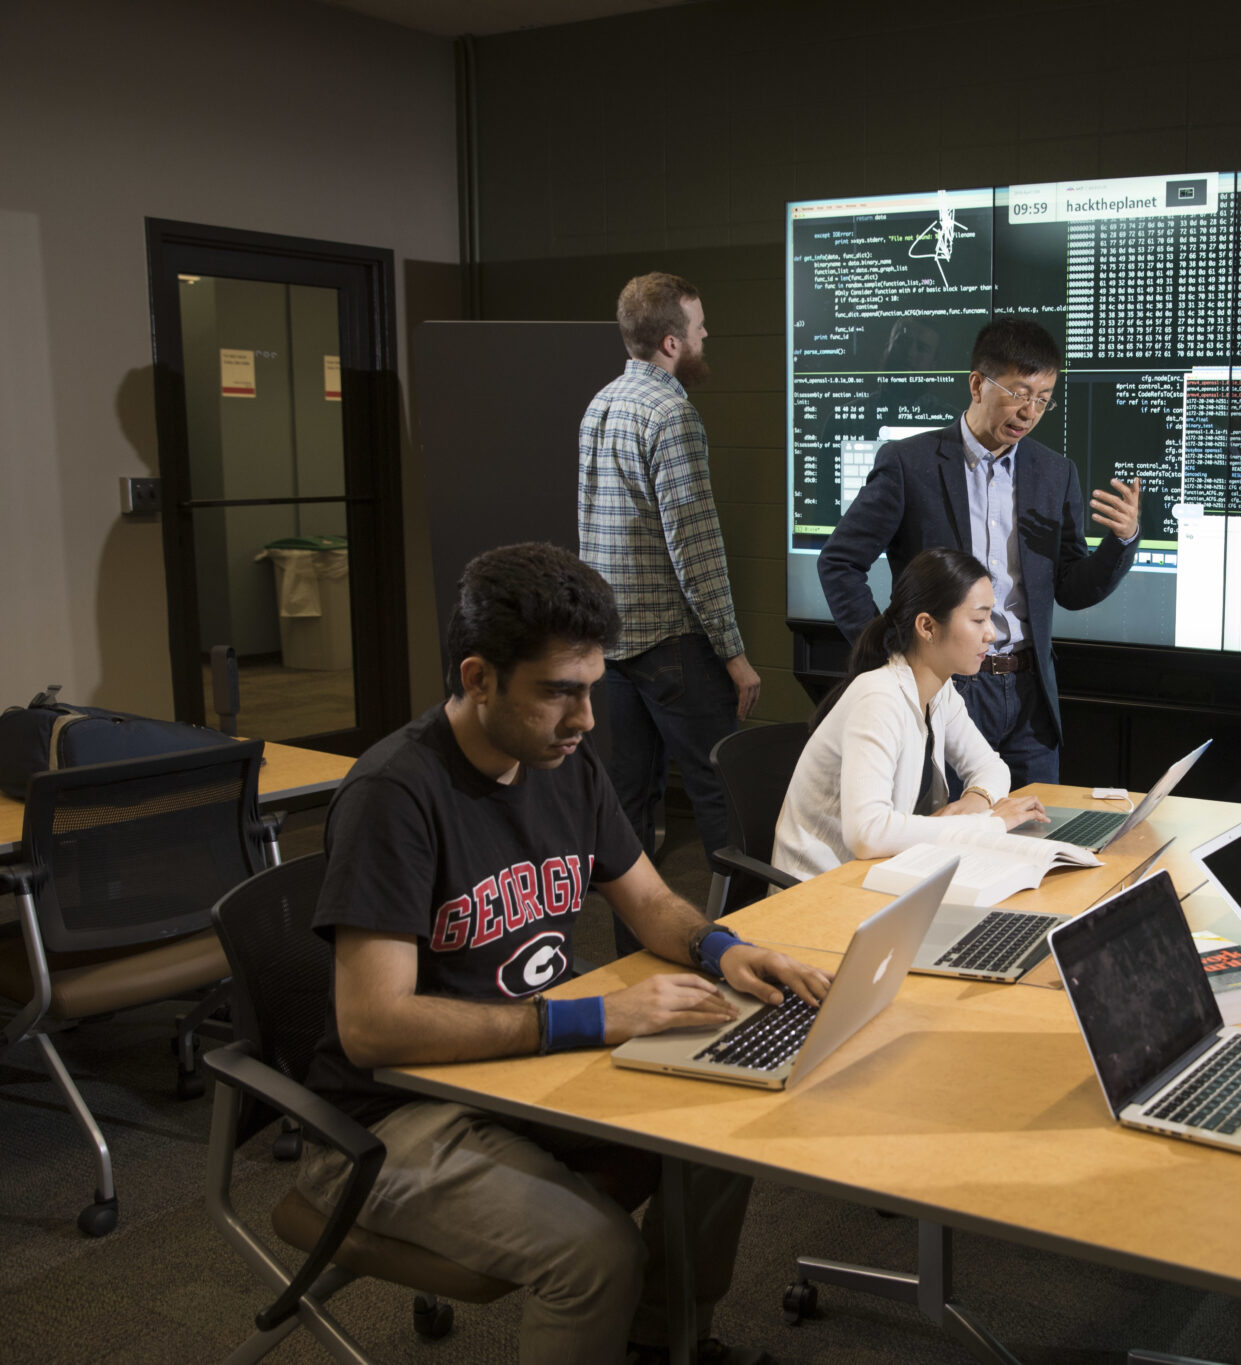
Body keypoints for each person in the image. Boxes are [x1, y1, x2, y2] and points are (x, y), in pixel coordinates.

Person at [299, 542, 832, 1365]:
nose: (584, 719)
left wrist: (721, 947)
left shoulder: (561, 762)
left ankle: (662, 1341)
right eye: (559, 693)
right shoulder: (394, 795)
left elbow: (649, 898)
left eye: (590, 690)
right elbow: (374, 1026)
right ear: (478, 679)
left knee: (728, 1129)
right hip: (388, 1117)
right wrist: (593, 1015)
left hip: (523, 1078)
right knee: (595, 1254)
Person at [817, 316, 1143, 790]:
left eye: (1043, 399)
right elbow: (840, 562)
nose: (1030, 411)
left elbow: (1070, 588)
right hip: (948, 685)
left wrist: (1123, 542)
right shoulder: (911, 464)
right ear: (977, 384)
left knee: (1035, 835)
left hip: (1030, 694)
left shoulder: (1055, 474)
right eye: (1019, 392)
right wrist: (890, 655)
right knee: (952, 835)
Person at [580, 271, 761, 953]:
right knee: (723, 799)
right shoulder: (673, 414)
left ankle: (634, 962)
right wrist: (734, 652)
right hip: (673, 648)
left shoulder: (600, 405)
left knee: (628, 812)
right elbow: (695, 546)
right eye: (699, 326)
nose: (707, 334)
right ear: (669, 342)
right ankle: (749, 951)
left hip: (612, 650)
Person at [774, 547, 1049, 880]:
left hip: (875, 877)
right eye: (979, 619)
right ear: (927, 627)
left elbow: (991, 767)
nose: (991, 634)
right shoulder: (878, 696)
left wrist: (977, 799)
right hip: (817, 894)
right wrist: (988, 823)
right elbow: (867, 834)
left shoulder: (939, 690)